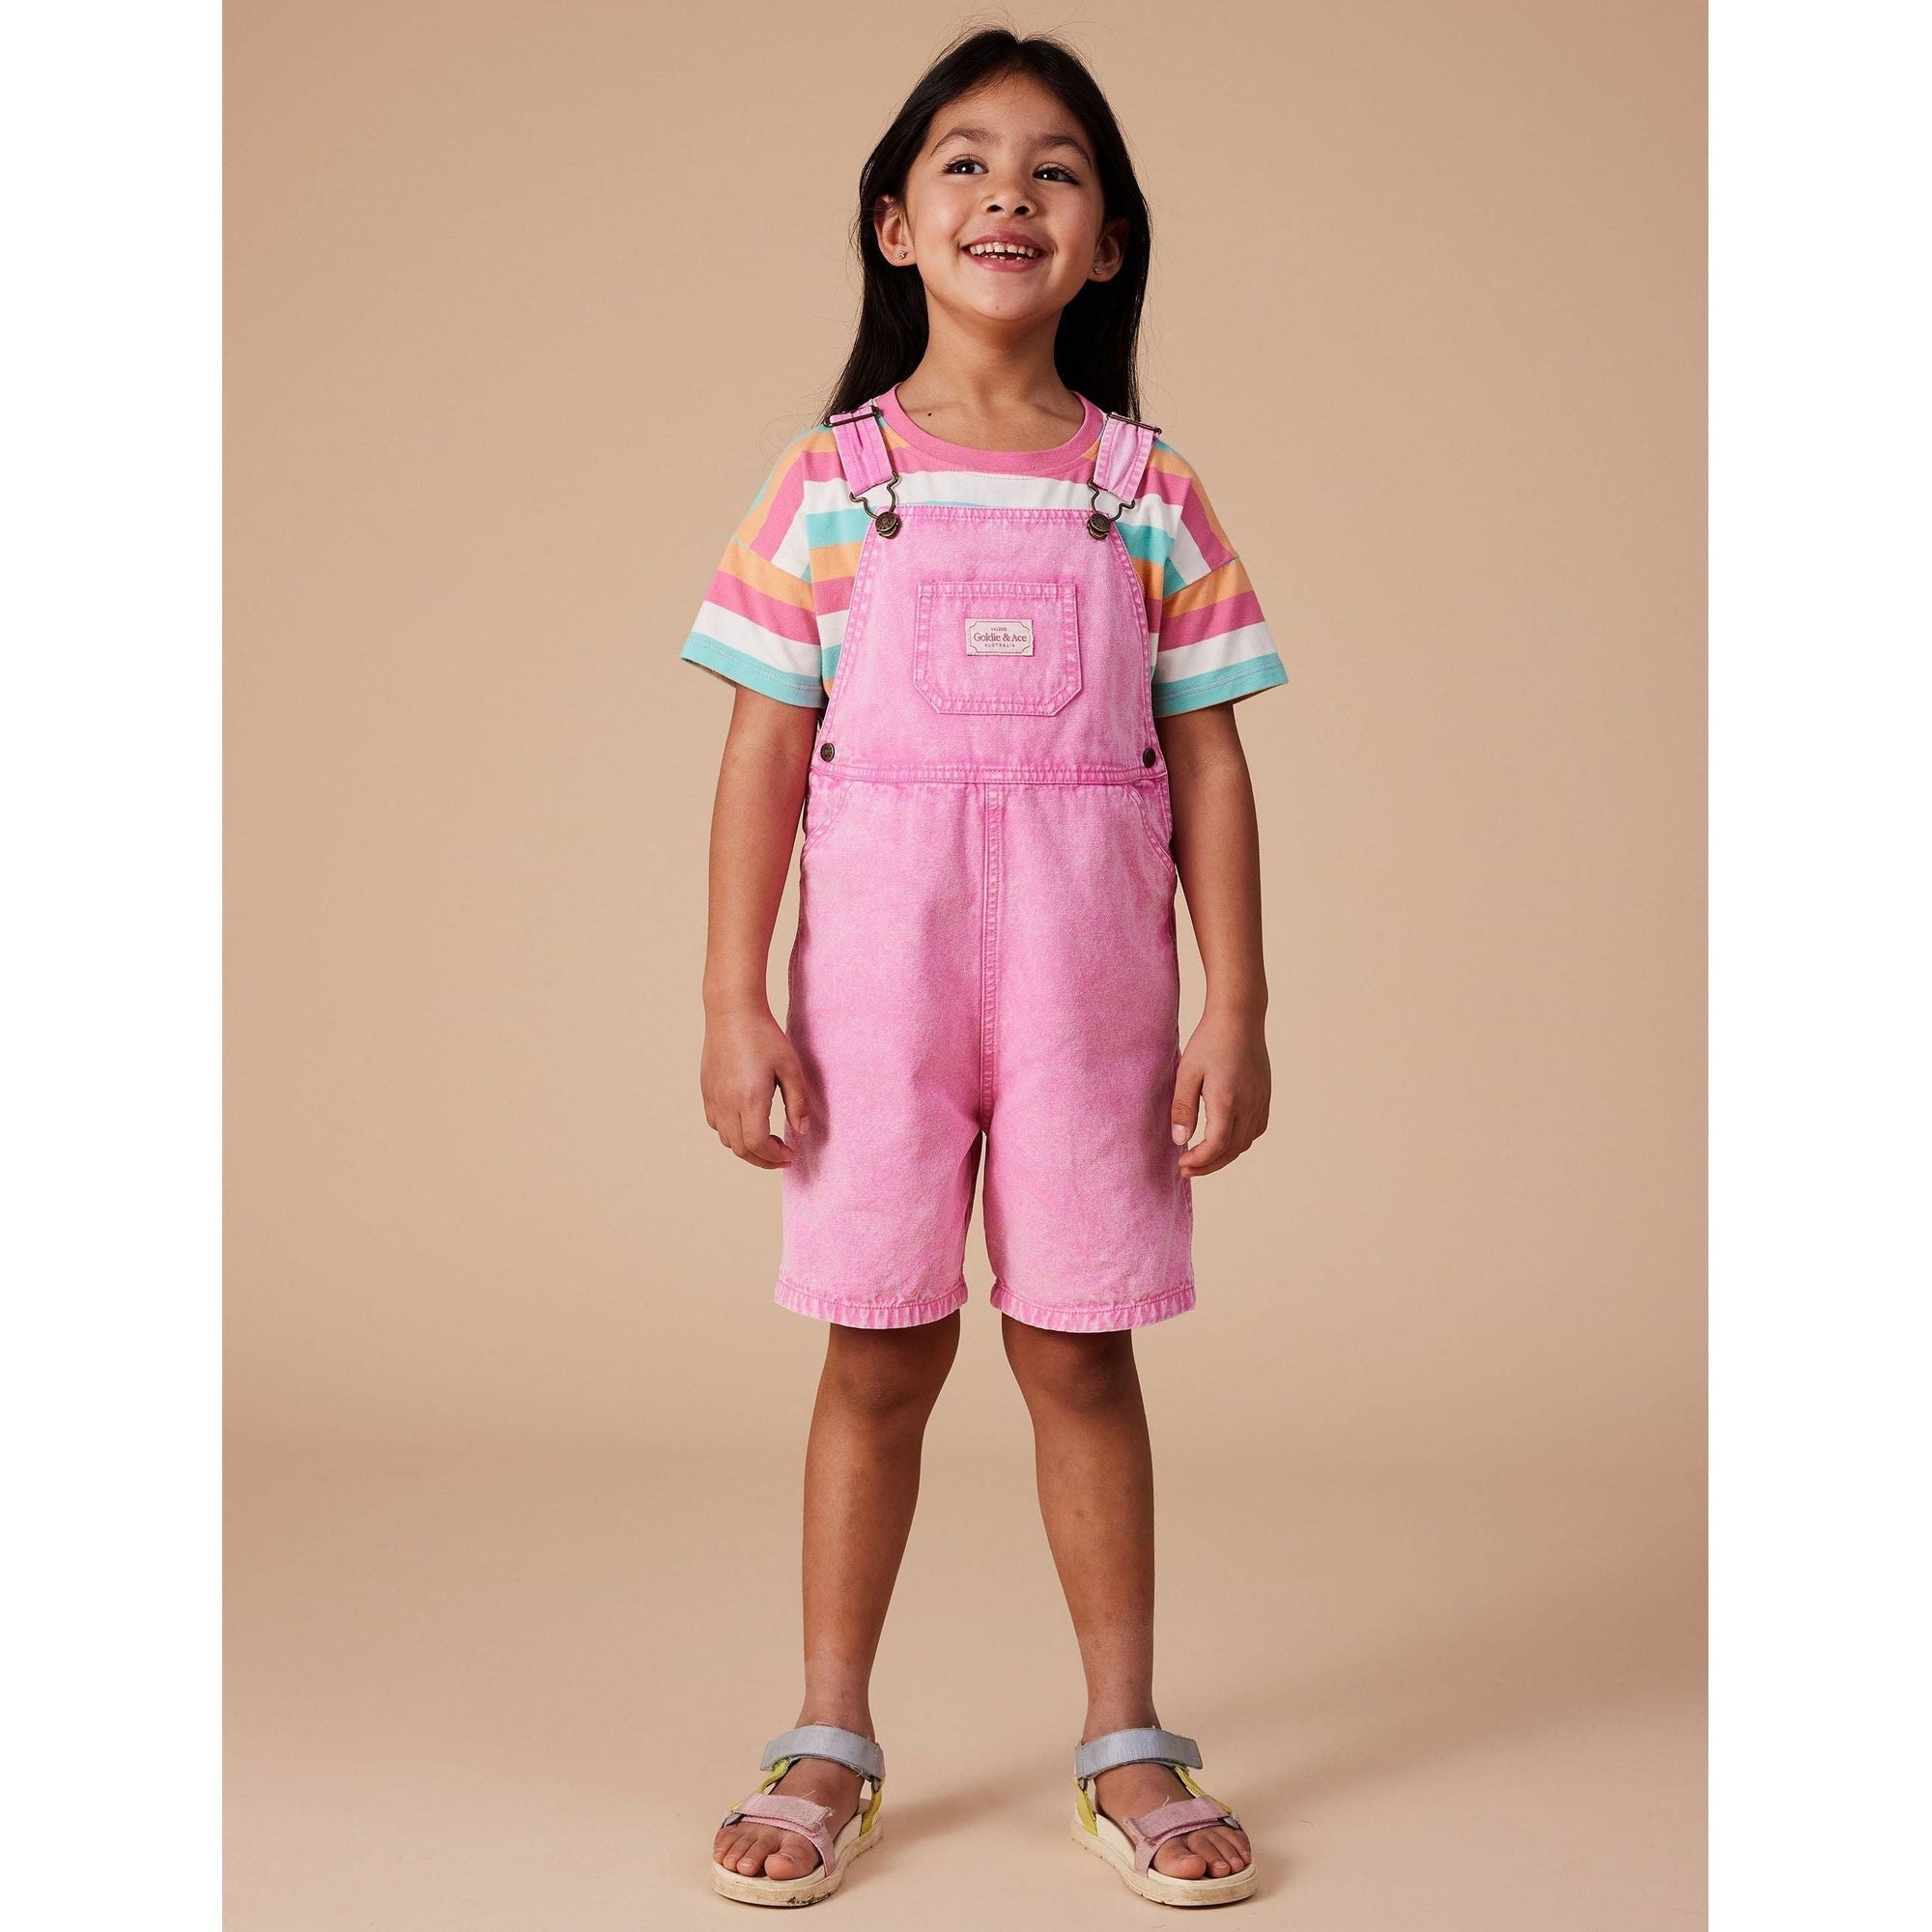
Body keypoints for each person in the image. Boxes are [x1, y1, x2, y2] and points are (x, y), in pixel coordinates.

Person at [683, 28, 1284, 1910]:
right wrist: (730, 995)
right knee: (877, 1343)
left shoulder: (1146, 490)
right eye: (964, 160)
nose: (1007, 192)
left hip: (1091, 987)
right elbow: (763, 749)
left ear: (1109, 241)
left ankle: (1125, 1736)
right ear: (894, 223)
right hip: (875, 988)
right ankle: (829, 1731)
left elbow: (1206, 756)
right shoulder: (831, 480)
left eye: (1054, 168)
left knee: (1079, 1344)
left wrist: (1239, 1000)